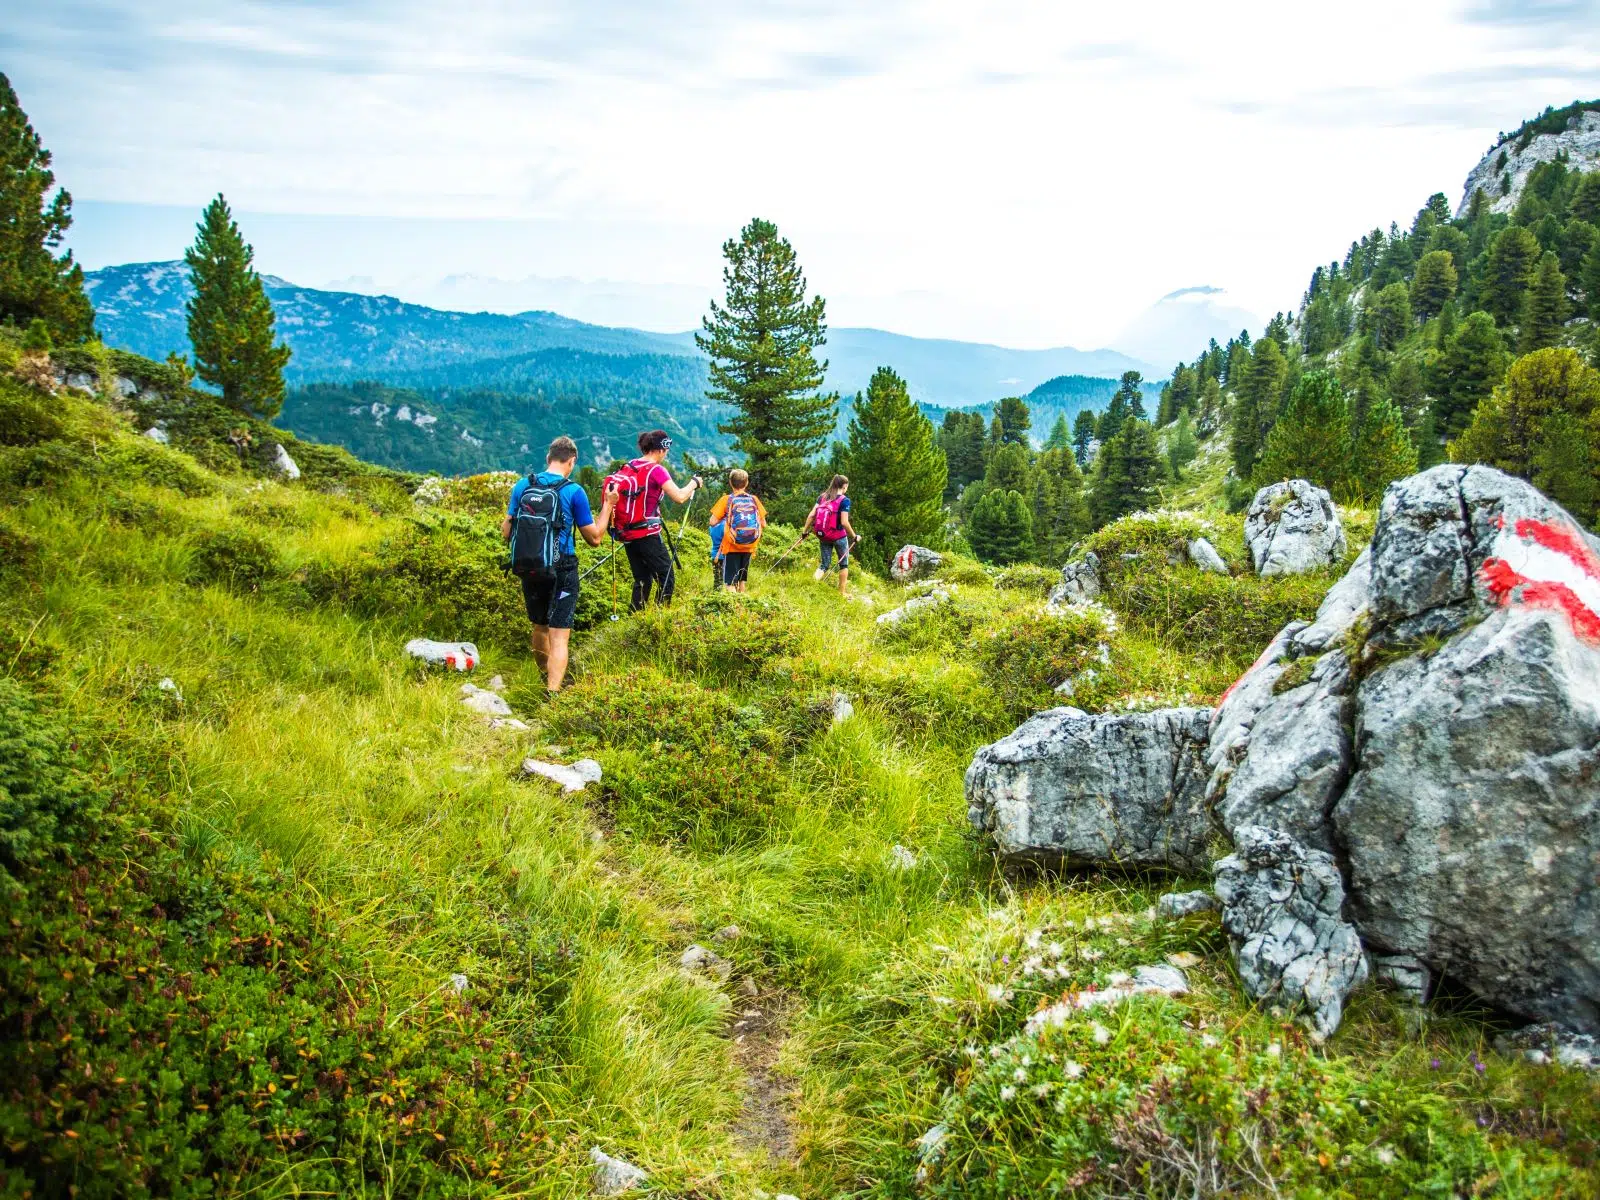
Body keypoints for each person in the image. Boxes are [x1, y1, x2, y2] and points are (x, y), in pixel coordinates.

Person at [502, 435, 614, 694]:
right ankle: (553, 692)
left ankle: (544, 676)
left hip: (529, 564)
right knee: (559, 634)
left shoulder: (522, 485)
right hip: (562, 566)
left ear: (548, 458)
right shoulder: (574, 491)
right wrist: (608, 506)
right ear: (572, 461)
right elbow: (595, 538)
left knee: (539, 626)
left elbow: (507, 531)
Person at [608, 429, 703, 610]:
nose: (666, 454)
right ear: (661, 449)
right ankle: (659, 619)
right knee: (666, 577)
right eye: (666, 450)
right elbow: (680, 497)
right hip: (646, 533)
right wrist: (694, 483)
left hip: (626, 532)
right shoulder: (656, 470)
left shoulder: (629, 466)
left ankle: (636, 619)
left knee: (642, 579)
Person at [707, 468, 767, 593]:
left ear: (730, 483)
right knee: (741, 580)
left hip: (732, 545)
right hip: (750, 545)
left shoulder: (726, 500)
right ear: (746, 483)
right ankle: (742, 606)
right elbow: (763, 524)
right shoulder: (754, 499)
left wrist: (726, 517)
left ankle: (733, 608)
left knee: (729, 582)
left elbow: (712, 522)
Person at [809, 474, 859, 597]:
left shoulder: (822, 497)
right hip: (839, 537)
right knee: (844, 564)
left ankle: (810, 585)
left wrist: (805, 532)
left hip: (823, 535)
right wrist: (854, 536)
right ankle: (841, 593)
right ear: (844, 486)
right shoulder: (844, 500)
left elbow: (811, 515)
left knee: (824, 564)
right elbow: (844, 522)